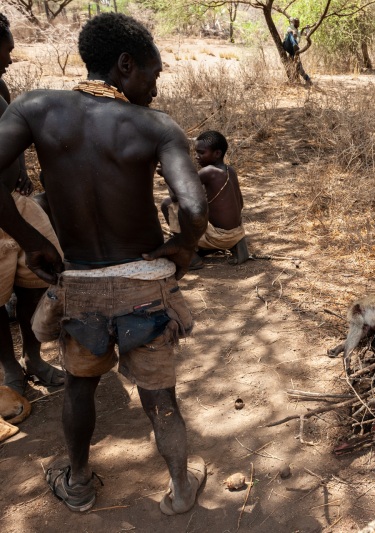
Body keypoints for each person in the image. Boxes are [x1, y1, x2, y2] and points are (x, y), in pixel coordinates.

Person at [0, 13, 209, 514]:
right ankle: (181, 490)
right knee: (160, 396)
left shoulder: (32, 107)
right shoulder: (154, 125)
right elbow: (195, 208)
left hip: (82, 287)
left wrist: (30, 239)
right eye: (152, 76)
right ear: (125, 64)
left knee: (79, 386)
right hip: (144, 286)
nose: (155, 89)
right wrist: (182, 247)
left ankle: (77, 482)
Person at [0, 12, 65, 394]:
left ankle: (33, 356)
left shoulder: (0, 87)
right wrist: (27, 238)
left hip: (15, 201)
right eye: (5, 50)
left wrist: (21, 169)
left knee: (39, 277)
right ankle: (10, 369)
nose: (10, 59)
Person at [161, 130, 248, 268]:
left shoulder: (208, 172)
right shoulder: (230, 170)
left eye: (201, 153)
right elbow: (241, 203)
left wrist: (168, 174)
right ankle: (235, 243)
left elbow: (175, 196)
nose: (196, 156)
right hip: (237, 232)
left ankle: (190, 256)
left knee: (167, 204)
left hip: (219, 237)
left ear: (217, 153)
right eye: (196, 153)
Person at [283, 17, 312, 85]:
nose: (297, 23)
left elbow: (306, 34)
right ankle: (295, 45)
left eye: (298, 22)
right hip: (287, 45)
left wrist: (307, 29)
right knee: (290, 34)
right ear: (293, 23)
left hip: (293, 51)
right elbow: (290, 30)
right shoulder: (290, 27)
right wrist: (293, 32)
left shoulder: (299, 32)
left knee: (299, 66)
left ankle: (307, 79)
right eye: (295, 22)